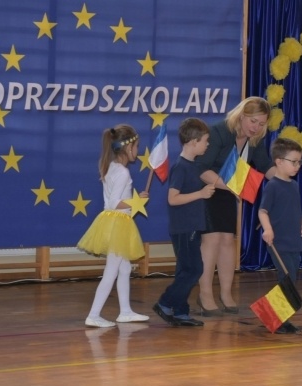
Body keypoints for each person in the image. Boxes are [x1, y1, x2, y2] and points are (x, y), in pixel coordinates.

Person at [195, 97, 276, 314]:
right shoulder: (219, 132)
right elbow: (202, 169)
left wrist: (282, 179)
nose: (256, 127)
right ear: (241, 116)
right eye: (253, 121)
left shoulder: (255, 139)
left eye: (261, 124)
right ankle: (204, 294)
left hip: (229, 190)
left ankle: (226, 293)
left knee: (228, 241)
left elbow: (265, 165)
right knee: (212, 239)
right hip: (206, 188)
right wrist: (229, 187)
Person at [78, 124, 149, 328]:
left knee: (124, 269)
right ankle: (94, 314)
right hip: (118, 223)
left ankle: (125, 311)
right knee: (111, 271)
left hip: (115, 222)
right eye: (136, 147)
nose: (138, 151)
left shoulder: (112, 168)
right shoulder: (123, 173)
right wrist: (136, 202)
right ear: (128, 148)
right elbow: (113, 203)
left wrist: (135, 200)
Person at [153, 118, 216, 327]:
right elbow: (173, 198)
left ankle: (180, 311)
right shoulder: (180, 167)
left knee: (184, 269)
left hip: (191, 226)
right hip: (184, 227)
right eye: (205, 140)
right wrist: (200, 193)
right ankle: (165, 302)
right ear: (193, 141)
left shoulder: (193, 165)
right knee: (194, 269)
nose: (207, 144)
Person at [258, 137, 302, 334]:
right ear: (279, 162)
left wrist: (301, 222)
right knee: (286, 278)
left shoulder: (294, 185)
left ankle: (280, 317)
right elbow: (263, 211)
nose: (297, 166)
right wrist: (268, 230)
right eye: (293, 162)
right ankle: (275, 318)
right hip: (279, 242)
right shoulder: (273, 186)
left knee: (291, 279)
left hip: (294, 241)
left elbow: (294, 210)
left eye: (299, 162)